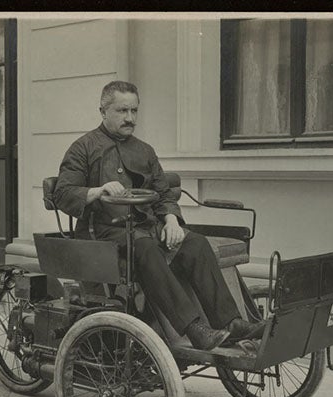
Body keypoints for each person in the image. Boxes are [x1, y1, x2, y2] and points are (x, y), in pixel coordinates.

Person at [53, 80, 264, 350]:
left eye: (134, 111)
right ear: (103, 111)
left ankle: (231, 323)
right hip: (104, 233)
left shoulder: (144, 150)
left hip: (145, 229)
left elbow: (163, 193)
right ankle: (194, 329)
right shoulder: (83, 148)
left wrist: (172, 220)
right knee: (146, 247)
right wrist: (98, 190)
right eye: (122, 111)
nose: (130, 118)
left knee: (195, 243)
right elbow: (63, 193)